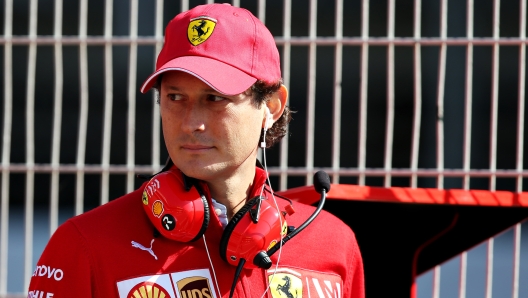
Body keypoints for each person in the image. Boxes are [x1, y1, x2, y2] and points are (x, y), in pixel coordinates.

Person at [27, 3, 364, 298]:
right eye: (175, 97)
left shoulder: (333, 244)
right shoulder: (86, 244)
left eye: (214, 98)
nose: (190, 123)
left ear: (272, 106)